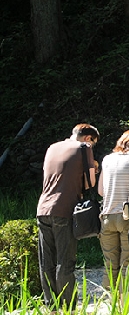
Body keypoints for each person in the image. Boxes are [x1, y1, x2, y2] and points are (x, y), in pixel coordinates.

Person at [37, 123, 99, 311]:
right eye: (94, 143)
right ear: (88, 138)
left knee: (46, 262)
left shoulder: (52, 147)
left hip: (42, 209)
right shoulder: (84, 148)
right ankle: (68, 308)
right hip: (64, 210)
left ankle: (51, 307)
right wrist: (94, 167)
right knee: (65, 261)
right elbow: (90, 184)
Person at [97, 128, 129, 290]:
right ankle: (125, 306)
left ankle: (109, 304)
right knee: (128, 264)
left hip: (107, 217)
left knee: (110, 265)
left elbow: (100, 191)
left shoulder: (107, 159)